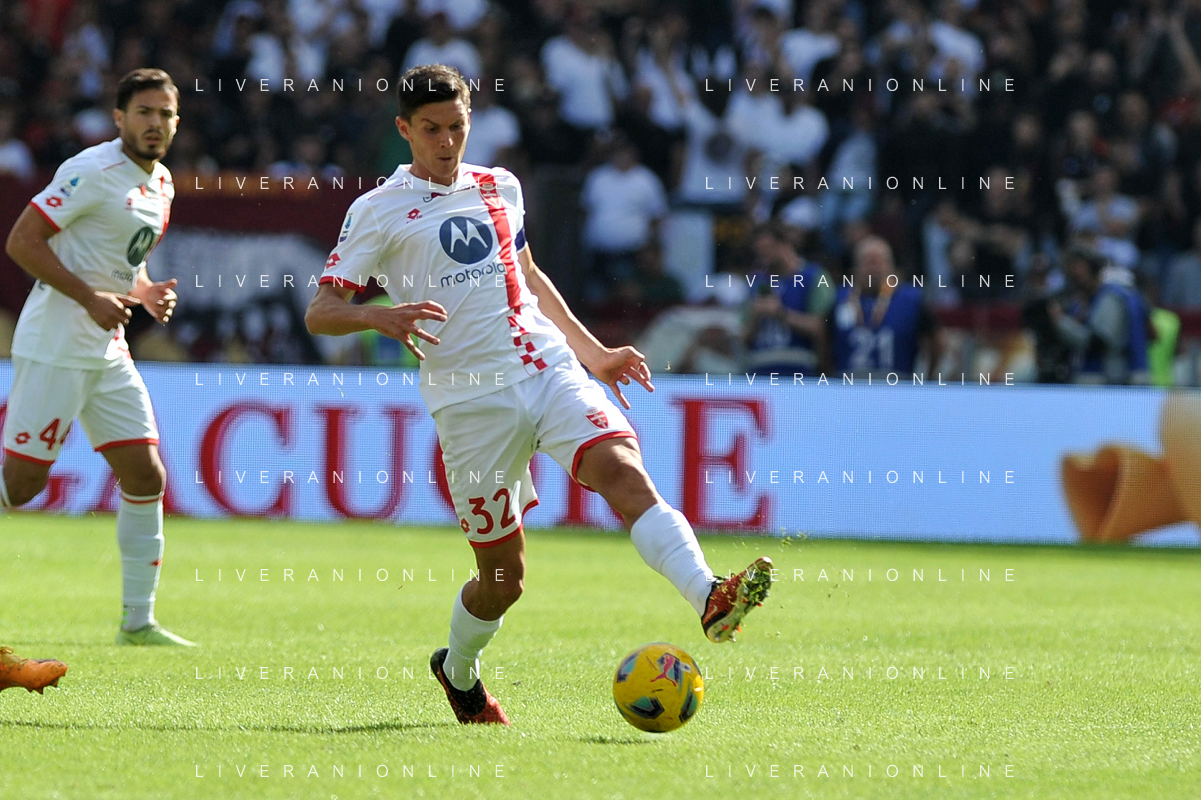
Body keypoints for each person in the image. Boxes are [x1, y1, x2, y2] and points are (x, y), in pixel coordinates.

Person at [304, 64, 773, 726]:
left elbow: (527, 274)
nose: (446, 142)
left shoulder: (500, 185)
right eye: (431, 129)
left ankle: (708, 597)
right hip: (468, 403)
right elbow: (321, 312)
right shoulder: (377, 210)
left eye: (457, 127)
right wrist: (378, 315)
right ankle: (457, 671)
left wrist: (595, 355)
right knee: (503, 580)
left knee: (622, 471)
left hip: (544, 366)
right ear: (404, 129)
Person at [1, 68, 194, 650]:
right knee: (21, 485)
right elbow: (22, 241)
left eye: (165, 114)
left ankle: (138, 622)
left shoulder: (162, 183)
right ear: (118, 118)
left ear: (176, 122)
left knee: (146, 474)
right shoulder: (91, 169)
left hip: (107, 349)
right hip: (58, 342)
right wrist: (89, 297)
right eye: (143, 112)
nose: (155, 123)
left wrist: (144, 290)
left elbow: (118, 258)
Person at [829, 236, 942, 379]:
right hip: (847, 384)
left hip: (897, 385)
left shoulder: (912, 300)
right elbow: (824, 340)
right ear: (855, 268)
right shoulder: (839, 299)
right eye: (868, 262)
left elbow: (937, 341)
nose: (873, 269)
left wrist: (929, 379)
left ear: (892, 267)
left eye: (879, 262)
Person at [741, 221, 835, 377]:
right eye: (760, 252)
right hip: (760, 371)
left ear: (785, 244)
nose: (764, 256)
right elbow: (743, 337)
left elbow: (821, 327)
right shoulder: (756, 282)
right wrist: (756, 316)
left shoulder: (813, 277)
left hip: (800, 369)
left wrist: (780, 313)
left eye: (768, 248)